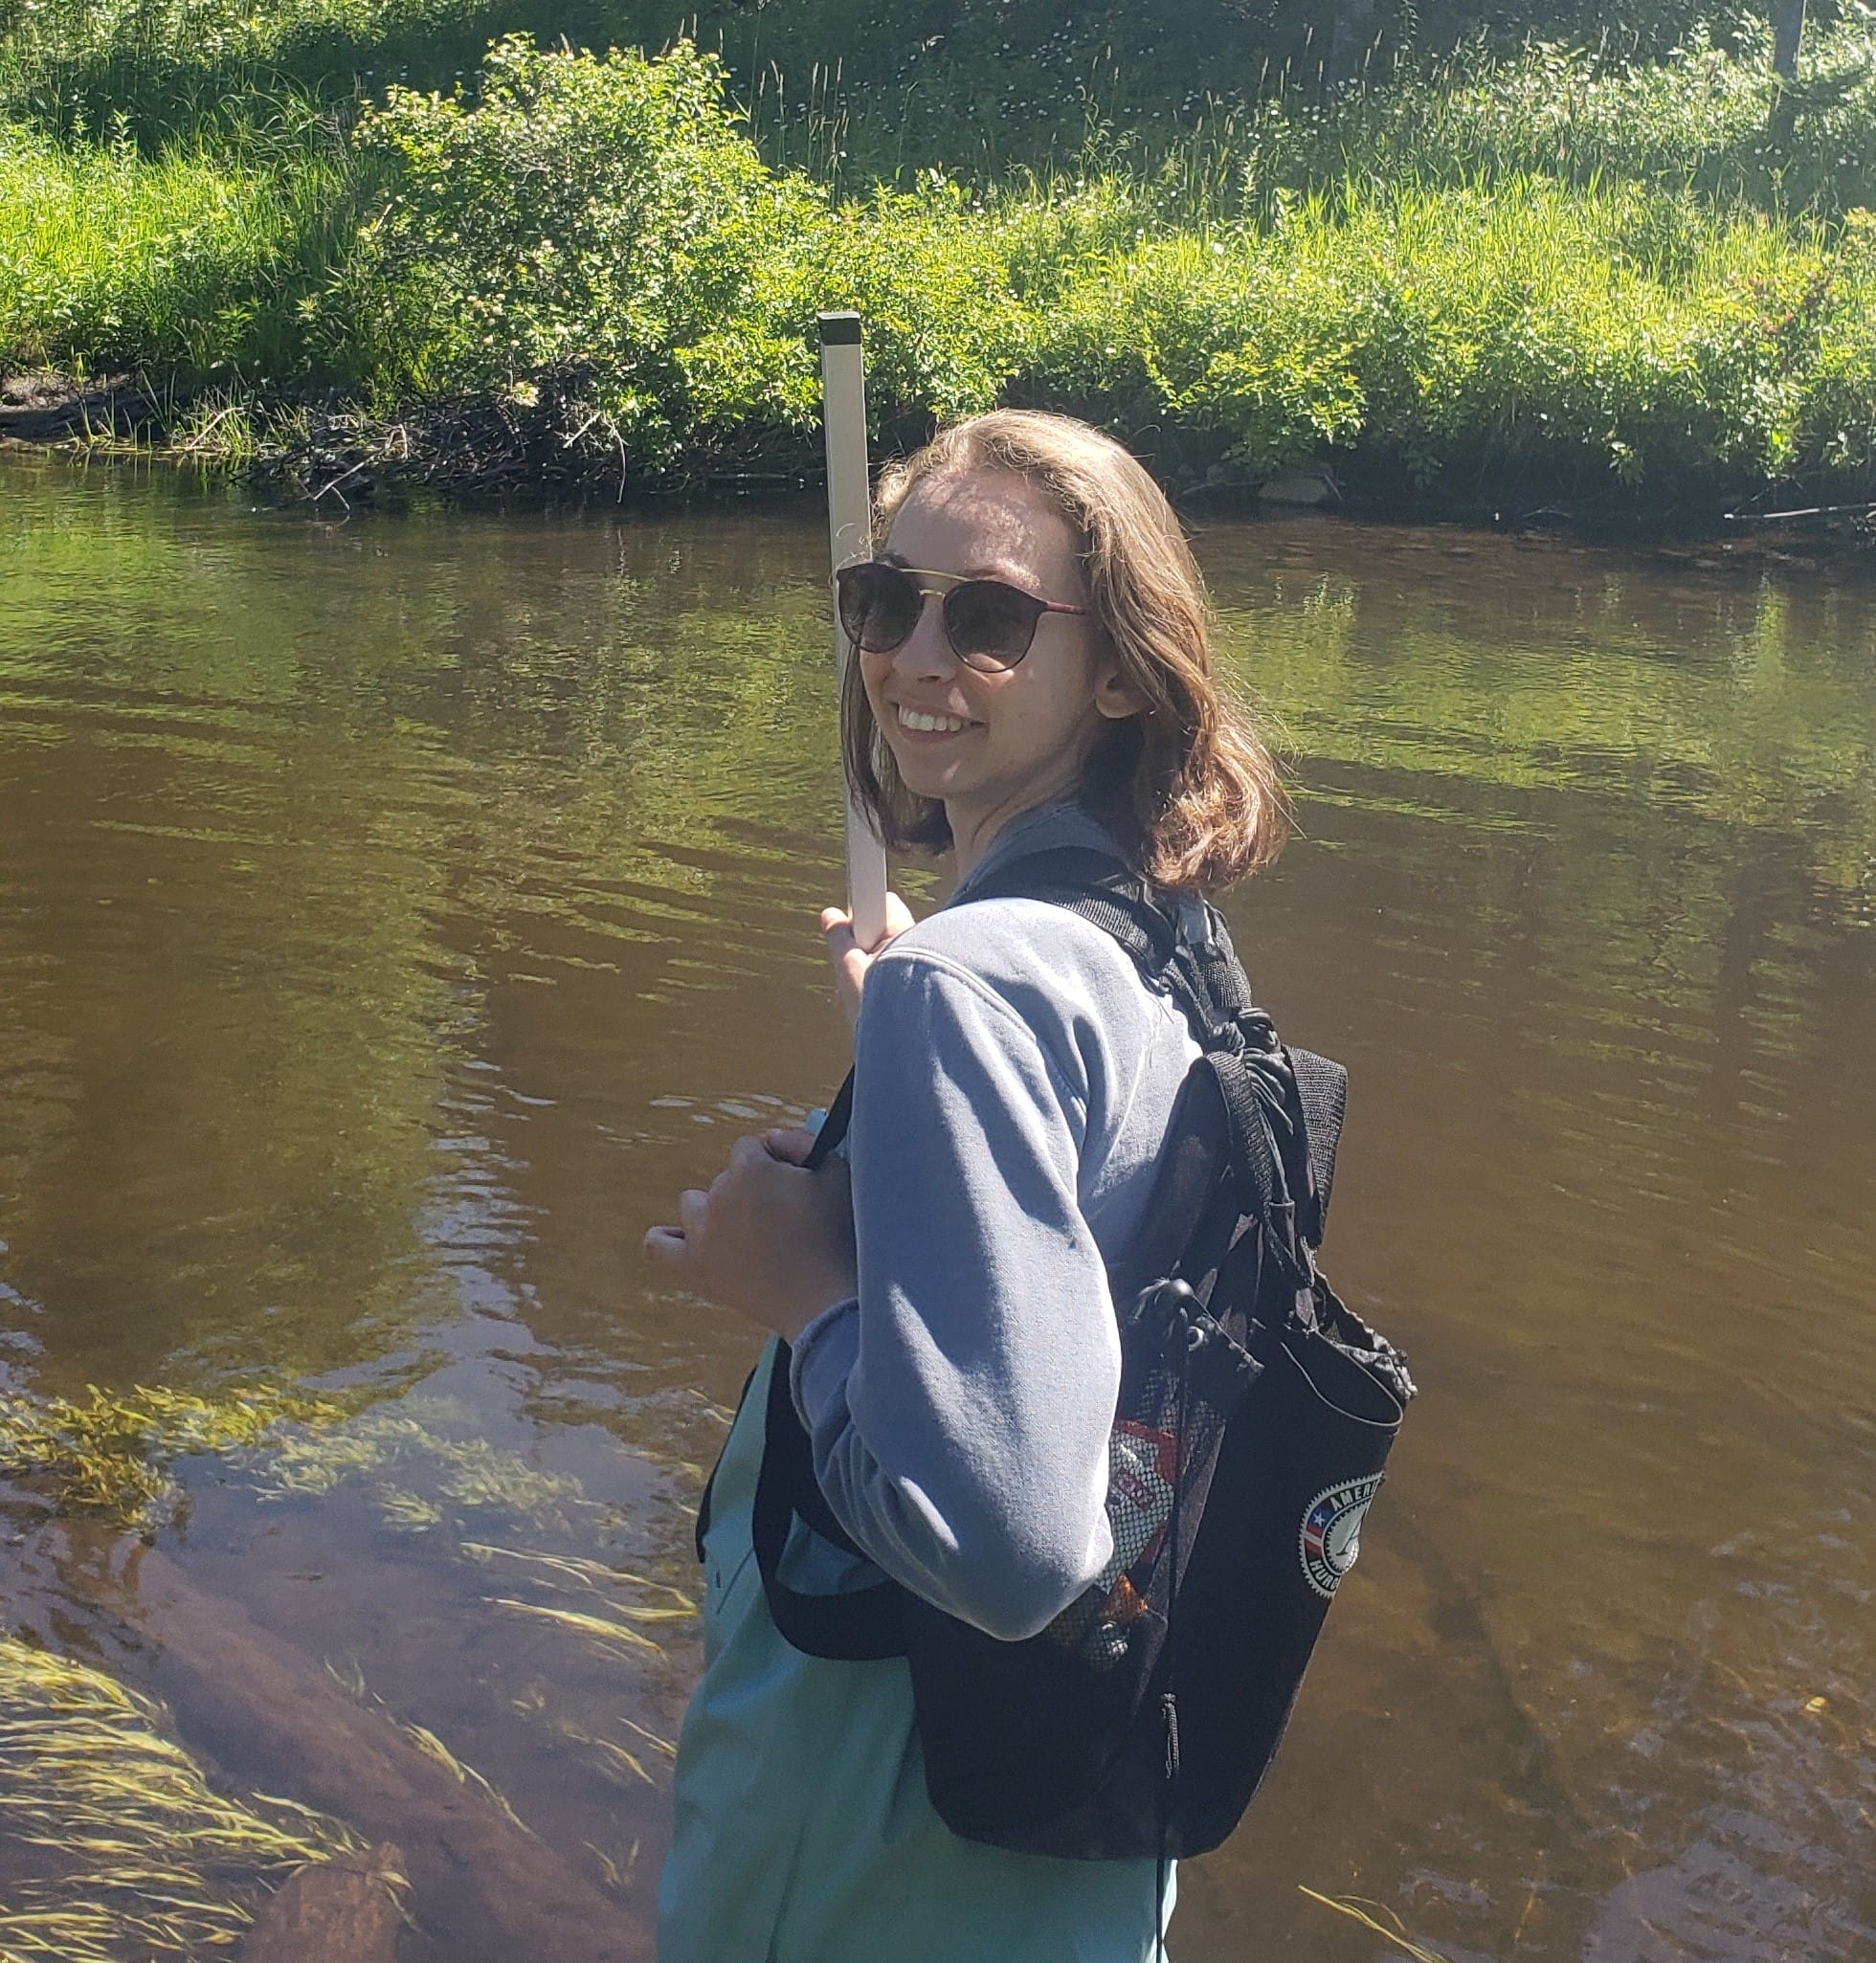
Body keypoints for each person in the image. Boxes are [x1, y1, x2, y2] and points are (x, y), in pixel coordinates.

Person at [645, 410, 1287, 1963]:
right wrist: (916, 1043)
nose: (916, 659)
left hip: (873, 1838)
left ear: (1122, 668)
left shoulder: (971, 988)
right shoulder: (1165, 938)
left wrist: (804, 1297)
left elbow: (1005, 1546)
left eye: (990, 619)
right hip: (1066, 1837)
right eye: (886, 601)